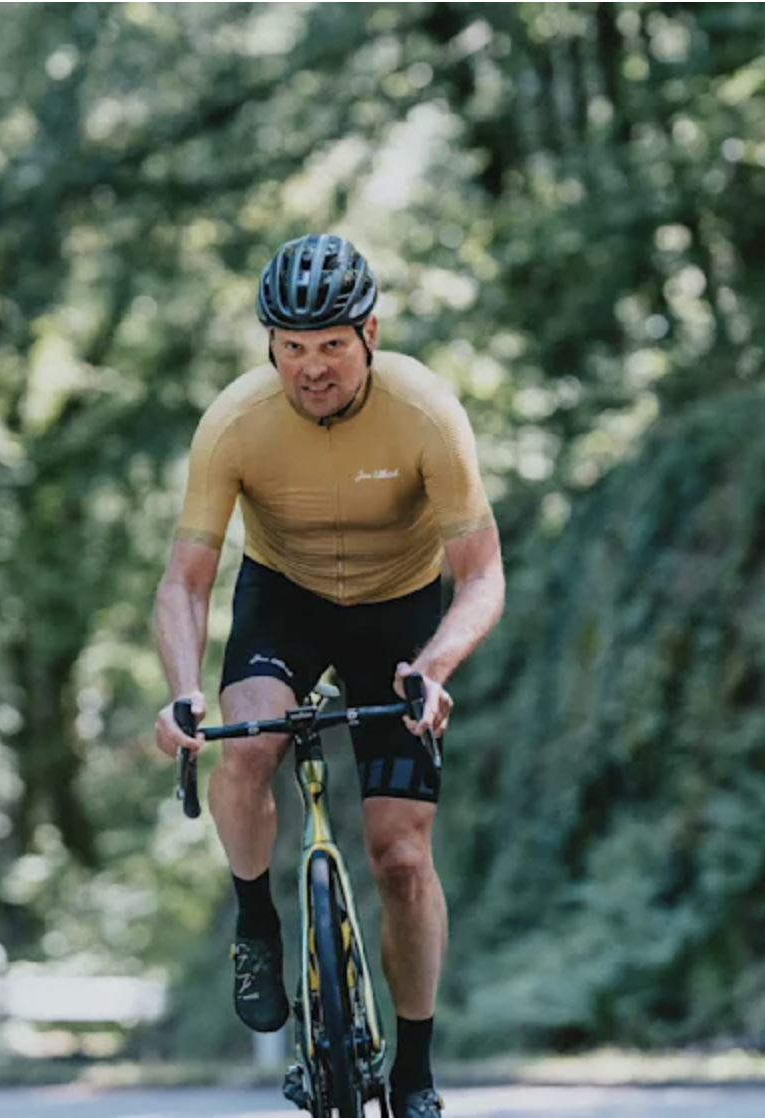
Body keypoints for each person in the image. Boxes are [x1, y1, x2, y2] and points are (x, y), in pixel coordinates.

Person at [152, 233, 505, 1116]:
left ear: (371, 333)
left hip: (401, 615)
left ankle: (415, 1071)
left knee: (398, 857)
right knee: (247, 746)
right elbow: (185, 580)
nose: (312, 368)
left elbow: (483, 573)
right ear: (269, 344)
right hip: (286, 602)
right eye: (293, 348)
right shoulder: (235, 423)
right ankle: (256, 923)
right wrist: (182, 692)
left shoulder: (425, 413)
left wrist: (432, 667)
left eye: (332, 346)